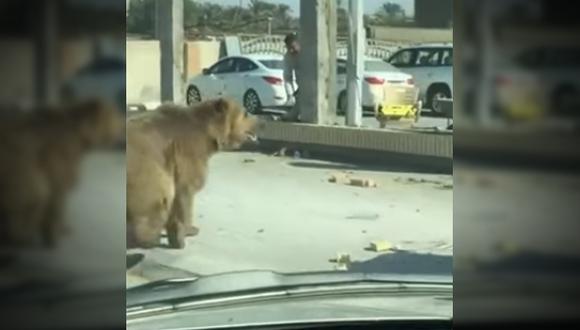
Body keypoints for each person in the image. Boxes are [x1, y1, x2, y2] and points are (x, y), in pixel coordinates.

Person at [282, 33, 300, 121]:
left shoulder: (308, 53)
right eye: (289, 48)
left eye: (293, 47)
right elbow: (287, 78)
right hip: (301, 88)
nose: (291, 50)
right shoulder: (288, 57)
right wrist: (290, 95)